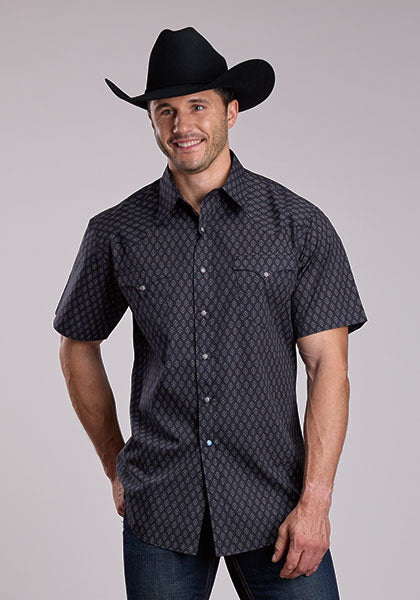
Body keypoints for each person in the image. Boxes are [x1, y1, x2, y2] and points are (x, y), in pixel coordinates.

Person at [53, 26, 368, 600]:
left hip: (277, 506)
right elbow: (77, 345)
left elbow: (328, 367)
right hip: (161, 507)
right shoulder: (116, 232)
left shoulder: (298, 226)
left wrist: (316, 501)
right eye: (165, 111)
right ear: (152, 121)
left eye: (197, 106)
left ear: (231, 111)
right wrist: (116, 464)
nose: (182, 125)